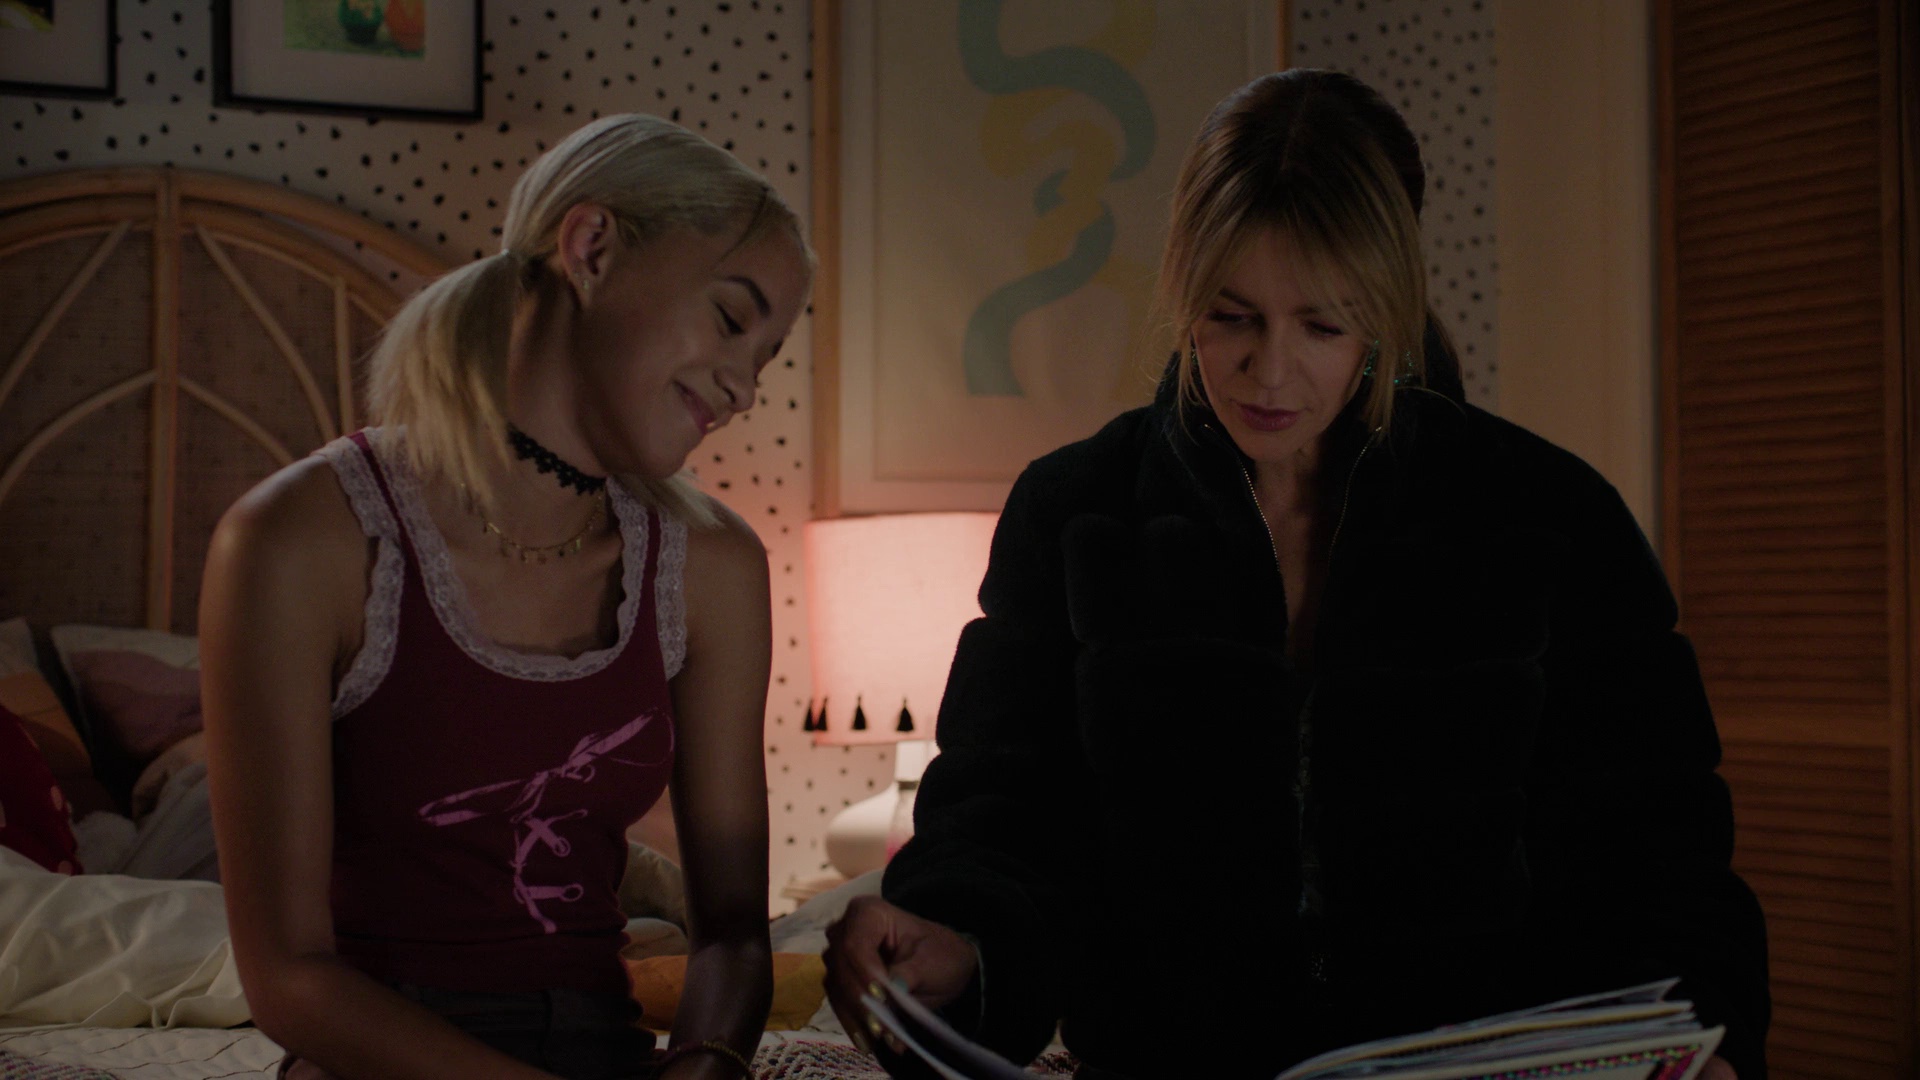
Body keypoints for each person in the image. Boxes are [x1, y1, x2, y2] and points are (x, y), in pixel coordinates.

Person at [824, 69, 1769, 1080]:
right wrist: (957, 943)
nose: (1270, 373)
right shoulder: (1076, 513)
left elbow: (1662, 849)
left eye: (1322, 325)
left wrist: (1699, 1039)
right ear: (1184, 290)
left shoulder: (1549, 517)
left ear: (1386, 312)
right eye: (1232, 317)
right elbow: (1003, 814)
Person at [199, 114, 810, 1080]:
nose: (744, 391)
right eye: (734, 321)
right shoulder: (300, 539)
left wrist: (707, 1063)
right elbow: (290, 981)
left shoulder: (715, 565)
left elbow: (732, 932)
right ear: (592, 247)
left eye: (766, 359)